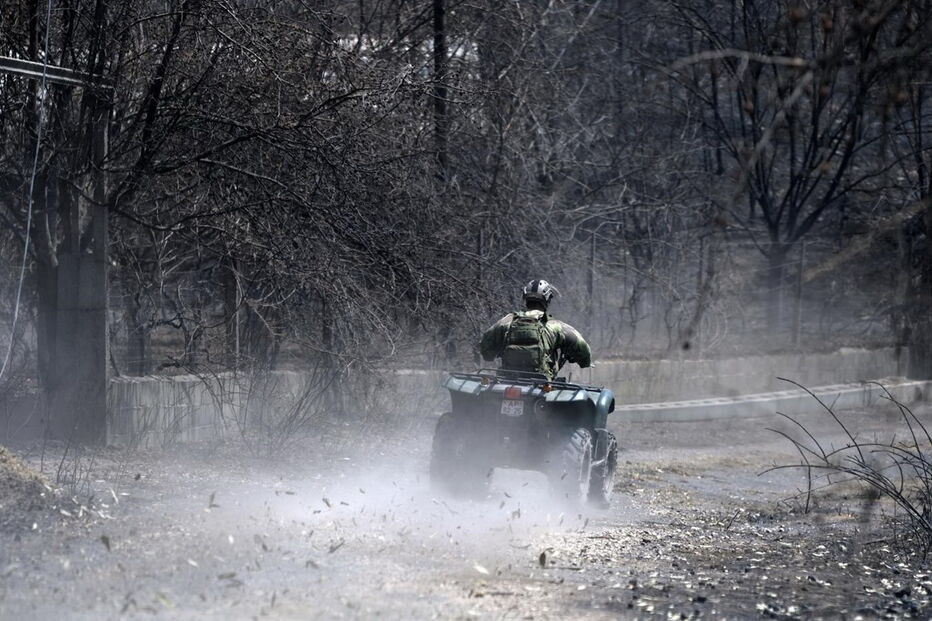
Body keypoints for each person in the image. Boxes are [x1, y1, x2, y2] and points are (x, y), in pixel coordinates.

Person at [479, 279, 591, 380]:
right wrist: (583, 361)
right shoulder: (555, 326)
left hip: (508, 381)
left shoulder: (507, 321)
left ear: (526, 298)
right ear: (548, 299)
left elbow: (485, 350)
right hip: (541, 385)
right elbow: (584, 350)